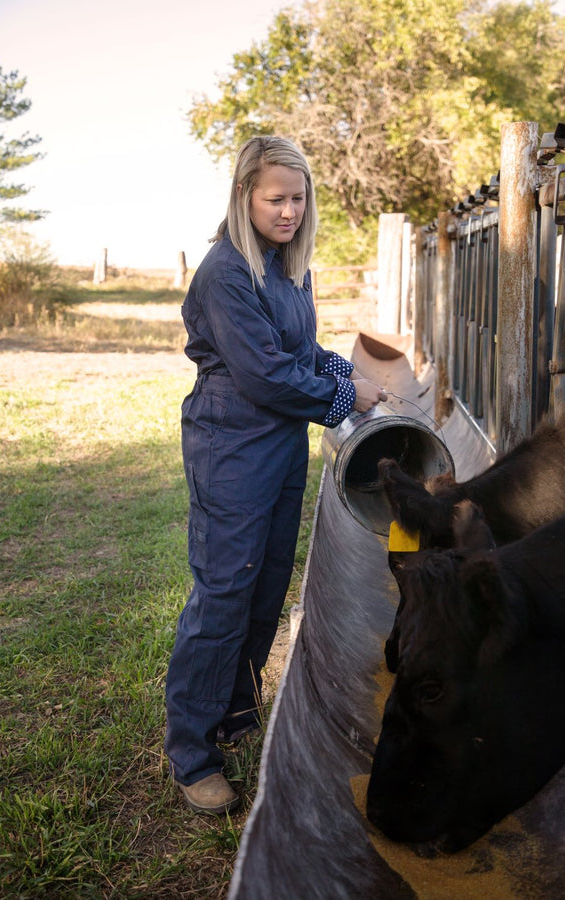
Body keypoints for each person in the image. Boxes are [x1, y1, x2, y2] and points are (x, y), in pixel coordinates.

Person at [165, 135, 387, 815]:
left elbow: (300, 351)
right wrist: (348, 399)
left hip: (282, 443)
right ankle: (191, 750)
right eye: (276, 198)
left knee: (265, 586)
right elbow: (264, 374)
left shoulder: (289, 266)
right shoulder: (226, 272)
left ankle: (234, 710)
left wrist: (351, 371)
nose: (289, 211)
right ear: (244, 196)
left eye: (298, 198)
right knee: (225, 589)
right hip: (232, 443)